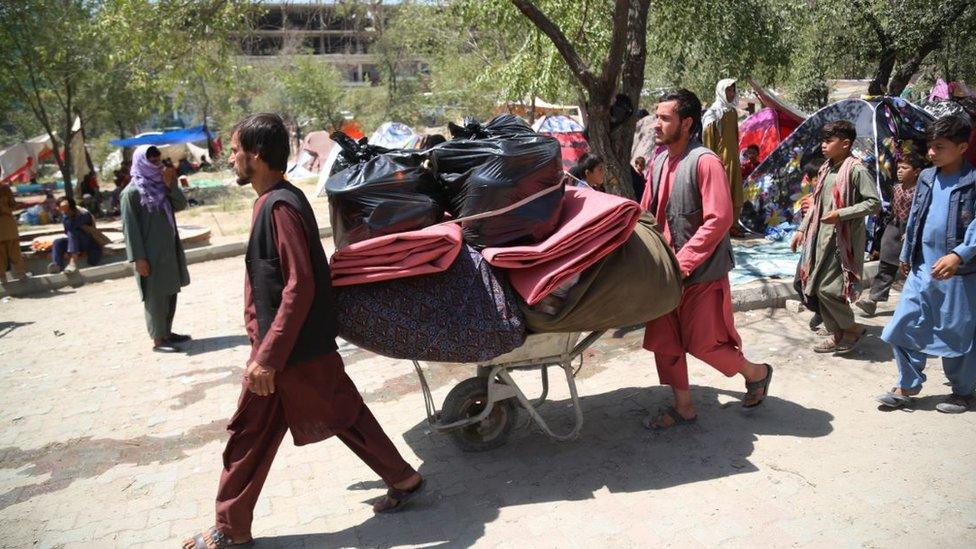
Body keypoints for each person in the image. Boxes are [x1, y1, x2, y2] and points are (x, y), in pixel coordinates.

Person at [183, 114, 423, 549]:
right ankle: (403, 479)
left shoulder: (279, 206)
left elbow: (301, 283)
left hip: (285, 353)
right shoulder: (279, 200)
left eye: (236, 150)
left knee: (250, 437)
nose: (232, 158)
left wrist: (268, 356)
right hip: (295, 348)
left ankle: (229, 529)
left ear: (256, 156)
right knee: (343, 413)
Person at [640, 89, 772, 430]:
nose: (657, 123)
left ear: (686, 123)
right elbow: (646, 214)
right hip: (665, 275)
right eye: (657, 116)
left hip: (700, 274)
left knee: (704, 344)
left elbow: (719, 219)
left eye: (664, 118)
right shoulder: (657, 162)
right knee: (665, 342)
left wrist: (683, 262)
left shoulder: (705, 162)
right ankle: (683, 407)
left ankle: (756, 373)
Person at [877, 116, 976, 413]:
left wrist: (960, 254)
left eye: (939, 147)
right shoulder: (926, 177)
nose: (931, 153)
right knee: (902, 325)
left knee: (956, 333)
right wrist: (907, 253)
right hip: (922, 268)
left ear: (962, 147)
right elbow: (916, 217)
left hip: (958, 272)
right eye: (930, 146)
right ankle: (907, 385)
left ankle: (963, 391)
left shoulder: (972, 182)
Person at [790, 121, 880, 354]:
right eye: (823, 140)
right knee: (814, 287)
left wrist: (841, 214)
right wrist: (801, 230)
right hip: (820, 238)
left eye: (829, 141)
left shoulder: (856, 170)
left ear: (846, 143)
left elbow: (874, 203)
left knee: (829, 290)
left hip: (843, 241)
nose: (823, 145)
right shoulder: (826, 168)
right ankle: (839, 334)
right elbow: (817, 203)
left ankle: (852, 328)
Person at [121, 145, 191, 353]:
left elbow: (180, 205)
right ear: (141, 161)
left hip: (168, 251)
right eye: (150, 160)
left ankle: (167, 333)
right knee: (154, 297)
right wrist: (138, 259)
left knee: (170, 291)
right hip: (149, 255)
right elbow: (130, 228)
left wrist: (172, 184)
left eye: (157, 159)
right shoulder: (131, 193)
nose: (155, 163)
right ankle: (158, 340)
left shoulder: (161, 186)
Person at [855, 149, 927, 316]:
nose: (900, 171)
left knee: (911, 268)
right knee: (886, 265)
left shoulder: (922, 191)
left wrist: (911, 232)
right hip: (894, 228)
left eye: (905, 168)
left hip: (913, 230)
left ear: (917, 172)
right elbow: (891, 212)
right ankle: (873, 300)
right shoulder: (896, 188)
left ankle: (917, 303)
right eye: (899, 167)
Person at [702, 78, 744, 235]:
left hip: (733, 159)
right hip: (720, 162)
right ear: (721, 91)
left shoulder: (732, 112)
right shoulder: (712, 115)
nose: (731, 93)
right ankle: (719, 227)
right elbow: (708, 143)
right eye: (728, 90)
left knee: (735, 193)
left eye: (733, 90)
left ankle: (733, 225)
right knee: (720, 195)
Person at [47, 197, 104, 274]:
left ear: (72, 208)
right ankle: (57, 266)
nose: (65, 213)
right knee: (58, 242)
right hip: (76, 244)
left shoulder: (83, 214)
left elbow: (72, 228)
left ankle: (73, 262)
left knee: (72, 233)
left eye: (66, 210)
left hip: (89, 242)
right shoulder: (65, 216)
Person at [0, 182, 28, 284]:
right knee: (14, 251)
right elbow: (13, 205)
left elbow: (12, 205)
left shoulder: (4, 188)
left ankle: (3, 277)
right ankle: (20, 274)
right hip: (8, 223)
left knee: (5, 252)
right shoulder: (5, 188)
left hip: (8, 224)